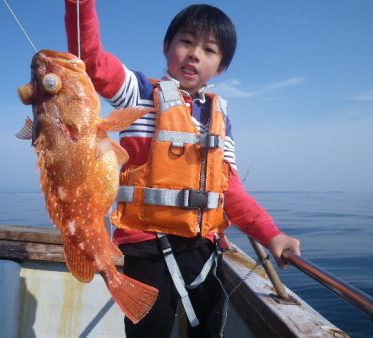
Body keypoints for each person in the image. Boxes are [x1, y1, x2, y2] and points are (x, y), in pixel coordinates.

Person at [65, 1, 301, 337]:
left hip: (201, 248)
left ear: (220, 67)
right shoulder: (139, 94)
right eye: (186, 42)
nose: (194, 55)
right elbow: (90, 60)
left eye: (209, 50)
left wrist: (271, 234)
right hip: (144, 246)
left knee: (209, 326)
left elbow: (231, 190)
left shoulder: (220, 121)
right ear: (167, 47)